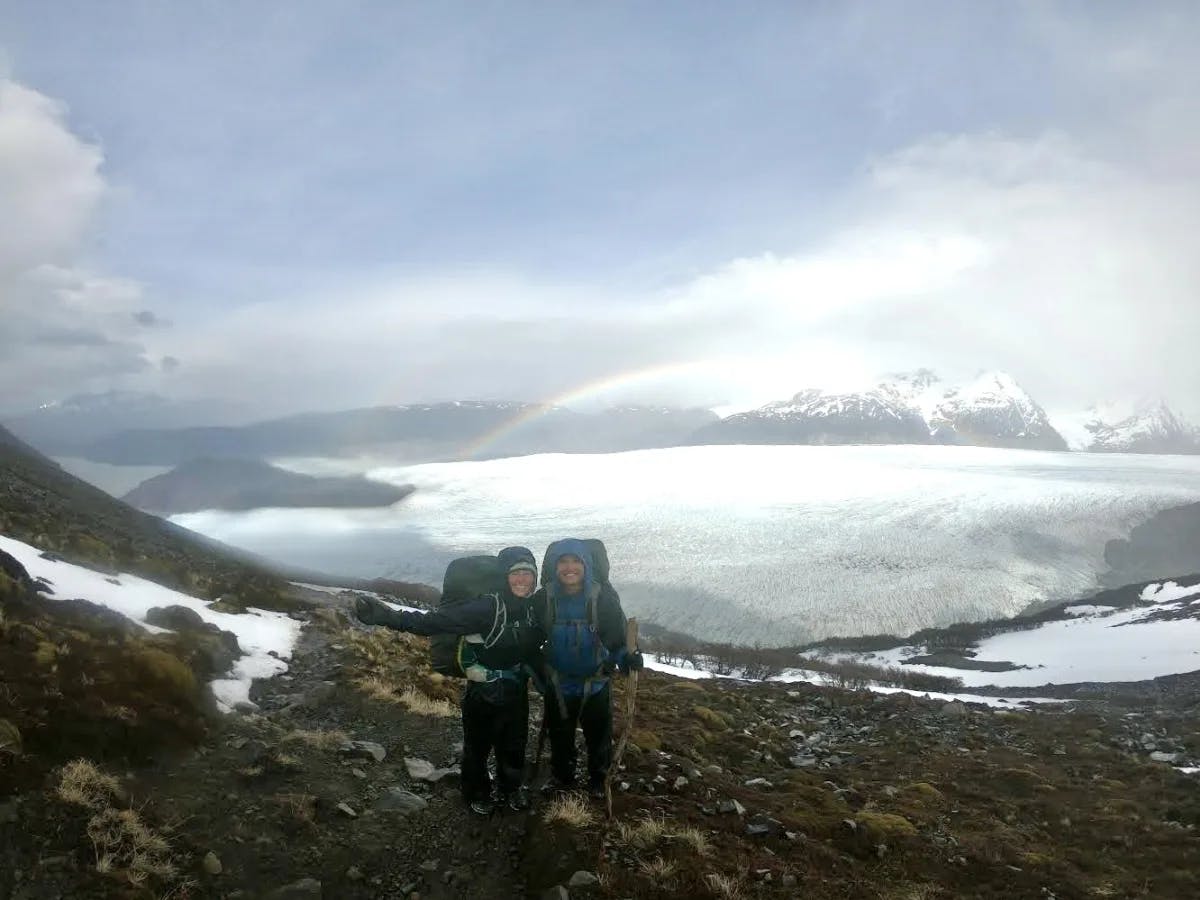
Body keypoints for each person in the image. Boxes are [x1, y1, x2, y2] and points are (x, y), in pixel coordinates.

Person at [354, 546, 540, 815]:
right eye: (516, 573)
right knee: (478, 746)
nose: (522, 580)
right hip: (482, 692)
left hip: (516, 689)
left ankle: (510, 787)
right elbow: (435, 622)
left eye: (528, 574)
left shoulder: (531, 609)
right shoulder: (486, 607)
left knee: (514, 743)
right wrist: (386, 617)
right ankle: (477, 792)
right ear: (504, 577)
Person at [530, 538, 643, 799]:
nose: (570, 567)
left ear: (587, 565)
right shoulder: (543, 599)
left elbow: (616, 640)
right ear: (554, 567)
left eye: (576, 561)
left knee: (598, 737)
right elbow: (530, 640)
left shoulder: (602, 598)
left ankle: (598, 779)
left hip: (596, 683)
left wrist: (628, 659)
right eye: (563, 561)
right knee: (560, 736)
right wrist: (537, 673)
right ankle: (563, 778)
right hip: (558, 683)